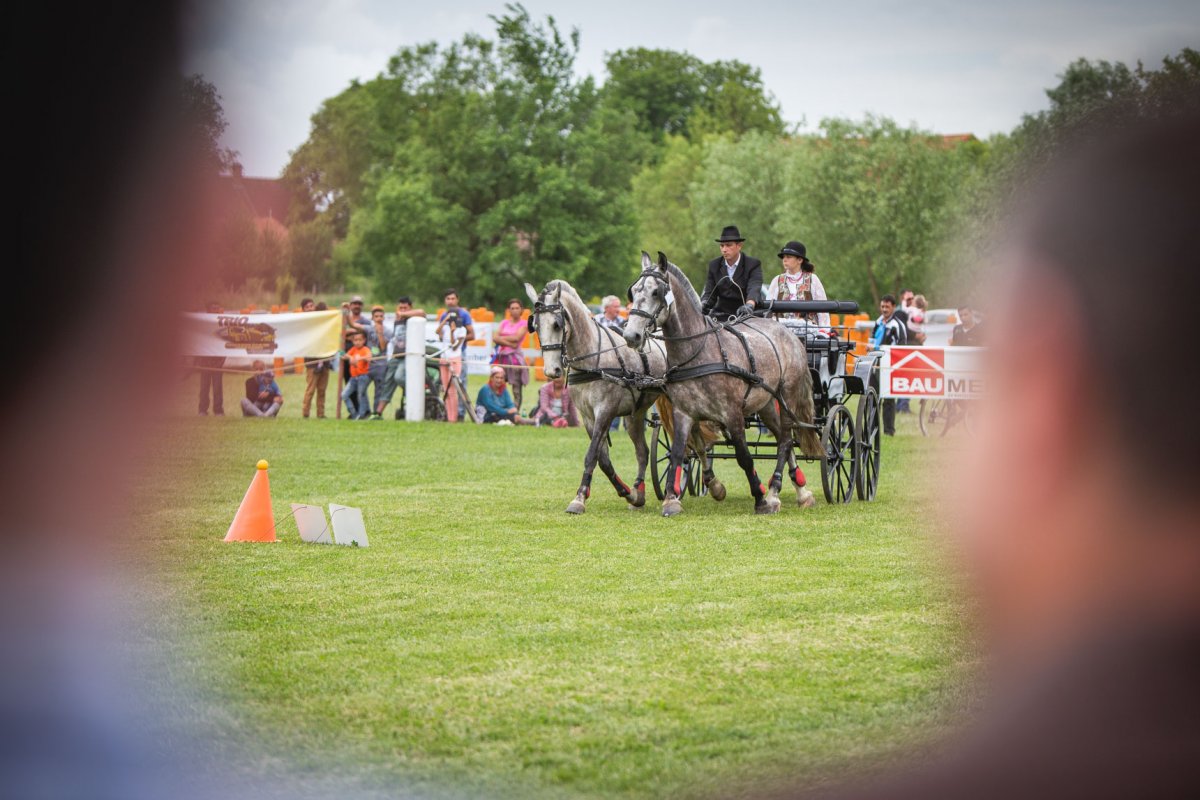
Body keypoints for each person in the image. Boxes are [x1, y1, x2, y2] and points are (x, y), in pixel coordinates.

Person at [376, 296, 425, 419]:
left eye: (405, 307)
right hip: (396, 355)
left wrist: (405, 313)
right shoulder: (397, 320)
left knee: (399, 376)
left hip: (408, 356)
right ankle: (377, 413)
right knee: (388, 382)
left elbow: (422, 312)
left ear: (410, 307)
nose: (402, 309)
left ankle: (417, 392)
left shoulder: (414, 317)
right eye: (400, 307)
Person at [701, 225, 763, 319]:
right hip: (721, 316)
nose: (724, 249)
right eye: (721, 246)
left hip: (747, 316)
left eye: (728, 245)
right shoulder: (714, 265)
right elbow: (709, 293)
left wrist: (749, 305)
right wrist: (704, 303)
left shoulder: (753, 264)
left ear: (739, 246)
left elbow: (754, 288)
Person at [766, 241, 830, 326]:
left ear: (799, 260)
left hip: (808, 331)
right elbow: (768, 309)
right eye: (784, 257)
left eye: (788, 257)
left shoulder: (813, 279)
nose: (784, 260)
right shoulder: (777, 280)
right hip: (781, 330)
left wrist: (824, 331)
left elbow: (823, 310)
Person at [435, 288, 474, 423]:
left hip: (459, 353)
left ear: (457, 299)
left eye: (453, 298)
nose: (450, 301)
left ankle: (461, 414)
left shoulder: (464, 315)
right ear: (445, 301)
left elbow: (472, 334)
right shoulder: (443, 315)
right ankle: (449, 414)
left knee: (460, 384)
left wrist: (458, 337)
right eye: (448, 299)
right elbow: (440, 335)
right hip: (446, 353)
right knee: (447, 387)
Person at [872, 294, 907, 436]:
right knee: (873, 397)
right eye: (882, 306)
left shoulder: (897, 325)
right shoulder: (878, 321)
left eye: (887, 306)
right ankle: (872, 429)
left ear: (893, 307)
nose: (884, 309)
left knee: (888, 399)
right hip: (875, 363)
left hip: (889, 365)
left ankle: (888, 430)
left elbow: (902, 347)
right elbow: (872, 339)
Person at [491, 298, 530, 412]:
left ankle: (515, 412)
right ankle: (497, 408)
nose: (515, 310)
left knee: (516, 387)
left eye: (517, 308)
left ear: (521, 310)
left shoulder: (524, 323)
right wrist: (510, 342)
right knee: (497, 383)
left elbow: (517, 338)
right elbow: (495, 337)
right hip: (502, 357)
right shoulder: (504, 322)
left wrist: (501, 338)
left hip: (515, 359)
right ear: (509, 310)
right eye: (512, 308)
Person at [300, 298, 331, 418]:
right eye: (307, 307)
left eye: (312, 306)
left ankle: (321, 414)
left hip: (325, 361)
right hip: (312, 362)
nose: (310, 308)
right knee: (310, 390)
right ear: (303, 310)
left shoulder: (323, 322)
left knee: (322, 390)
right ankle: (305, 413)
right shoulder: (303, 324)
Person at [196, 300, 225, 416]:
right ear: (208, 310)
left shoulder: (222, 322)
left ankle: (218, 410)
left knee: (218, 387)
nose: (216, 310)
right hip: (205, 361)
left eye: (217, 308)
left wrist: (222, 359)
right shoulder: (202, 323)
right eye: (213, 308)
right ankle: (202, 409)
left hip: (218, 361)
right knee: (204, 387)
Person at [341, 330, 372, 420]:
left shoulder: (365, 349)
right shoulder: (353, 349)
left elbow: (369, 357)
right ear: (353, 341)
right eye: (355, 340)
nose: (357, 342)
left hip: (363, 376)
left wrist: (361, 358)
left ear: (364, 340)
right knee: (344, 395)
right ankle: (354, 414)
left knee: (361, 395)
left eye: (360, 340)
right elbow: (343, 354)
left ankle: (362, 415)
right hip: (353, 378)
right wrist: (351, 357)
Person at [364, 305, 389, 419]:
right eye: (376, 316)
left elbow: (383, 348)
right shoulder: (369, 329)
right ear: (372, 318)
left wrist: (380, 333)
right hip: (368, 365)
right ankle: (365, 412)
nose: (379, 318)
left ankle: (376, 413)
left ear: (384, 317)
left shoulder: (388, 331)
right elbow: (354, 325)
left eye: (381, 316)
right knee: (361, 388)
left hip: (381, 365)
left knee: (379, 391)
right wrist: (345, 313)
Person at [340, 296, 368, 384]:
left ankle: (358, 398)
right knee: (347, 378)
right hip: (345, 351)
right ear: (351, 306)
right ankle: (349, 397)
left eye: (359, 304)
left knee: (358, 380)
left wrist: (348, 332)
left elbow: (367, 333)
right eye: (355, 304)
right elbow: (340, 333)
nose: (357, 306)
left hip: (360, 354)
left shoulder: (366, 321)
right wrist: (355, 330)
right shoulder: (343, 319)